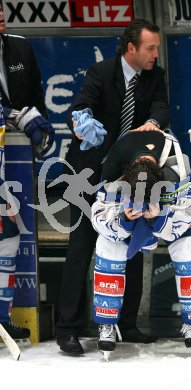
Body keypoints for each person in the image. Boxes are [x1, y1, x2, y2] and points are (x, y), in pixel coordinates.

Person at [56, 18, 170, 354]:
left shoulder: (155, 76)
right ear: (131, 48)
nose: (155, 54)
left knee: (131, 244)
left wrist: (153, 122)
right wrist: (80, 122)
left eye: (157, 48)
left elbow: (161, 107)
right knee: (81, 246)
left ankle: (126, 323)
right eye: (150, 48)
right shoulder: (101, 73)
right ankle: (68, 329)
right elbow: (80, 106)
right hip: (88, 172)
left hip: (129, 176)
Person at [90, 130, 191, 355]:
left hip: (170, 211)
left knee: (189, 248)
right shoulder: (113, 171)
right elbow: (99, 220)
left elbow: (188, 218)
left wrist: (157, 217)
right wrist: (124, 219)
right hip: (125, 206)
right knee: (107, 245)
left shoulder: (177, 169)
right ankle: (106, 323)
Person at [0, 1, 54, 343]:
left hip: (8, 164)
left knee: (9, 238)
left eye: (2, 10)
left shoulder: (18, 45)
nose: (1, 16)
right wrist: (8, 112)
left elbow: (33, 93)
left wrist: (35, 120)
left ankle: (2, 318)